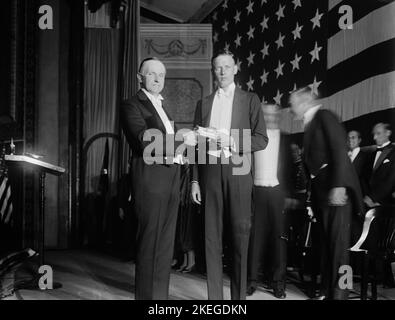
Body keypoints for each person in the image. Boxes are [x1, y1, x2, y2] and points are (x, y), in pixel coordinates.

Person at [191, 50, 268, 300]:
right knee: (211, 238)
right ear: (213, 72)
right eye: (217, 67)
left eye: (226, 66)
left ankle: (238, 301)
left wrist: (232, 140)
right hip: (210, 172)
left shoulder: (250, 99)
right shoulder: (203, 103)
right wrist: (194, 180)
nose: (222, 71)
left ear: (236, 68)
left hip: (239, 170)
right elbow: (195, 146)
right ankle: (215, 300)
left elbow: (261, 139)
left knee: (239, 237)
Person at [120, 57, 186, 300]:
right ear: (140, 77)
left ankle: (160, 299)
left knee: (166, 244)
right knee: (149, 241)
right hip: (150, 177)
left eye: (162, 75)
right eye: (152, 74)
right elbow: (143, 140)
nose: (158, 79)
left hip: (171, 177)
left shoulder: (163, 107)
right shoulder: (131, 105)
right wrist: (181, 141)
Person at [289, 87, 364, 300]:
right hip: (324, 195)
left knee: (340, 250)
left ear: (305, 101)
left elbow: (339, 149)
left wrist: (339, 186)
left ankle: (341, 294)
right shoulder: (310, 124)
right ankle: (328, 292)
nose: (290, 107)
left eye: (292, 102)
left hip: (337, 193)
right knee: (327, 247)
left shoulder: (324, 116)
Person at [246, 104, 293, 299]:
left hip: (277, 193)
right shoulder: (252, 137)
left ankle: (278, 283)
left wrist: (289, 195)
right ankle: (251, 281)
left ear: (278, 116)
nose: (270, 117)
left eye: (274, 114)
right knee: (255, 239)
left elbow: (290, 169)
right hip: (256, 191)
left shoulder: (287, 139)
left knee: (278, 240)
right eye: (266, 114)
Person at [363, 123, 395, 209]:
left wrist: (373, 198)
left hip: (385, 204)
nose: (374, 138)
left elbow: (390, 181)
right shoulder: (371, 155)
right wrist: (366, 197)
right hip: (367, 202)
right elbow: (366, 178)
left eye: (378, 133)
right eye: (374, 134)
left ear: (388, 133)